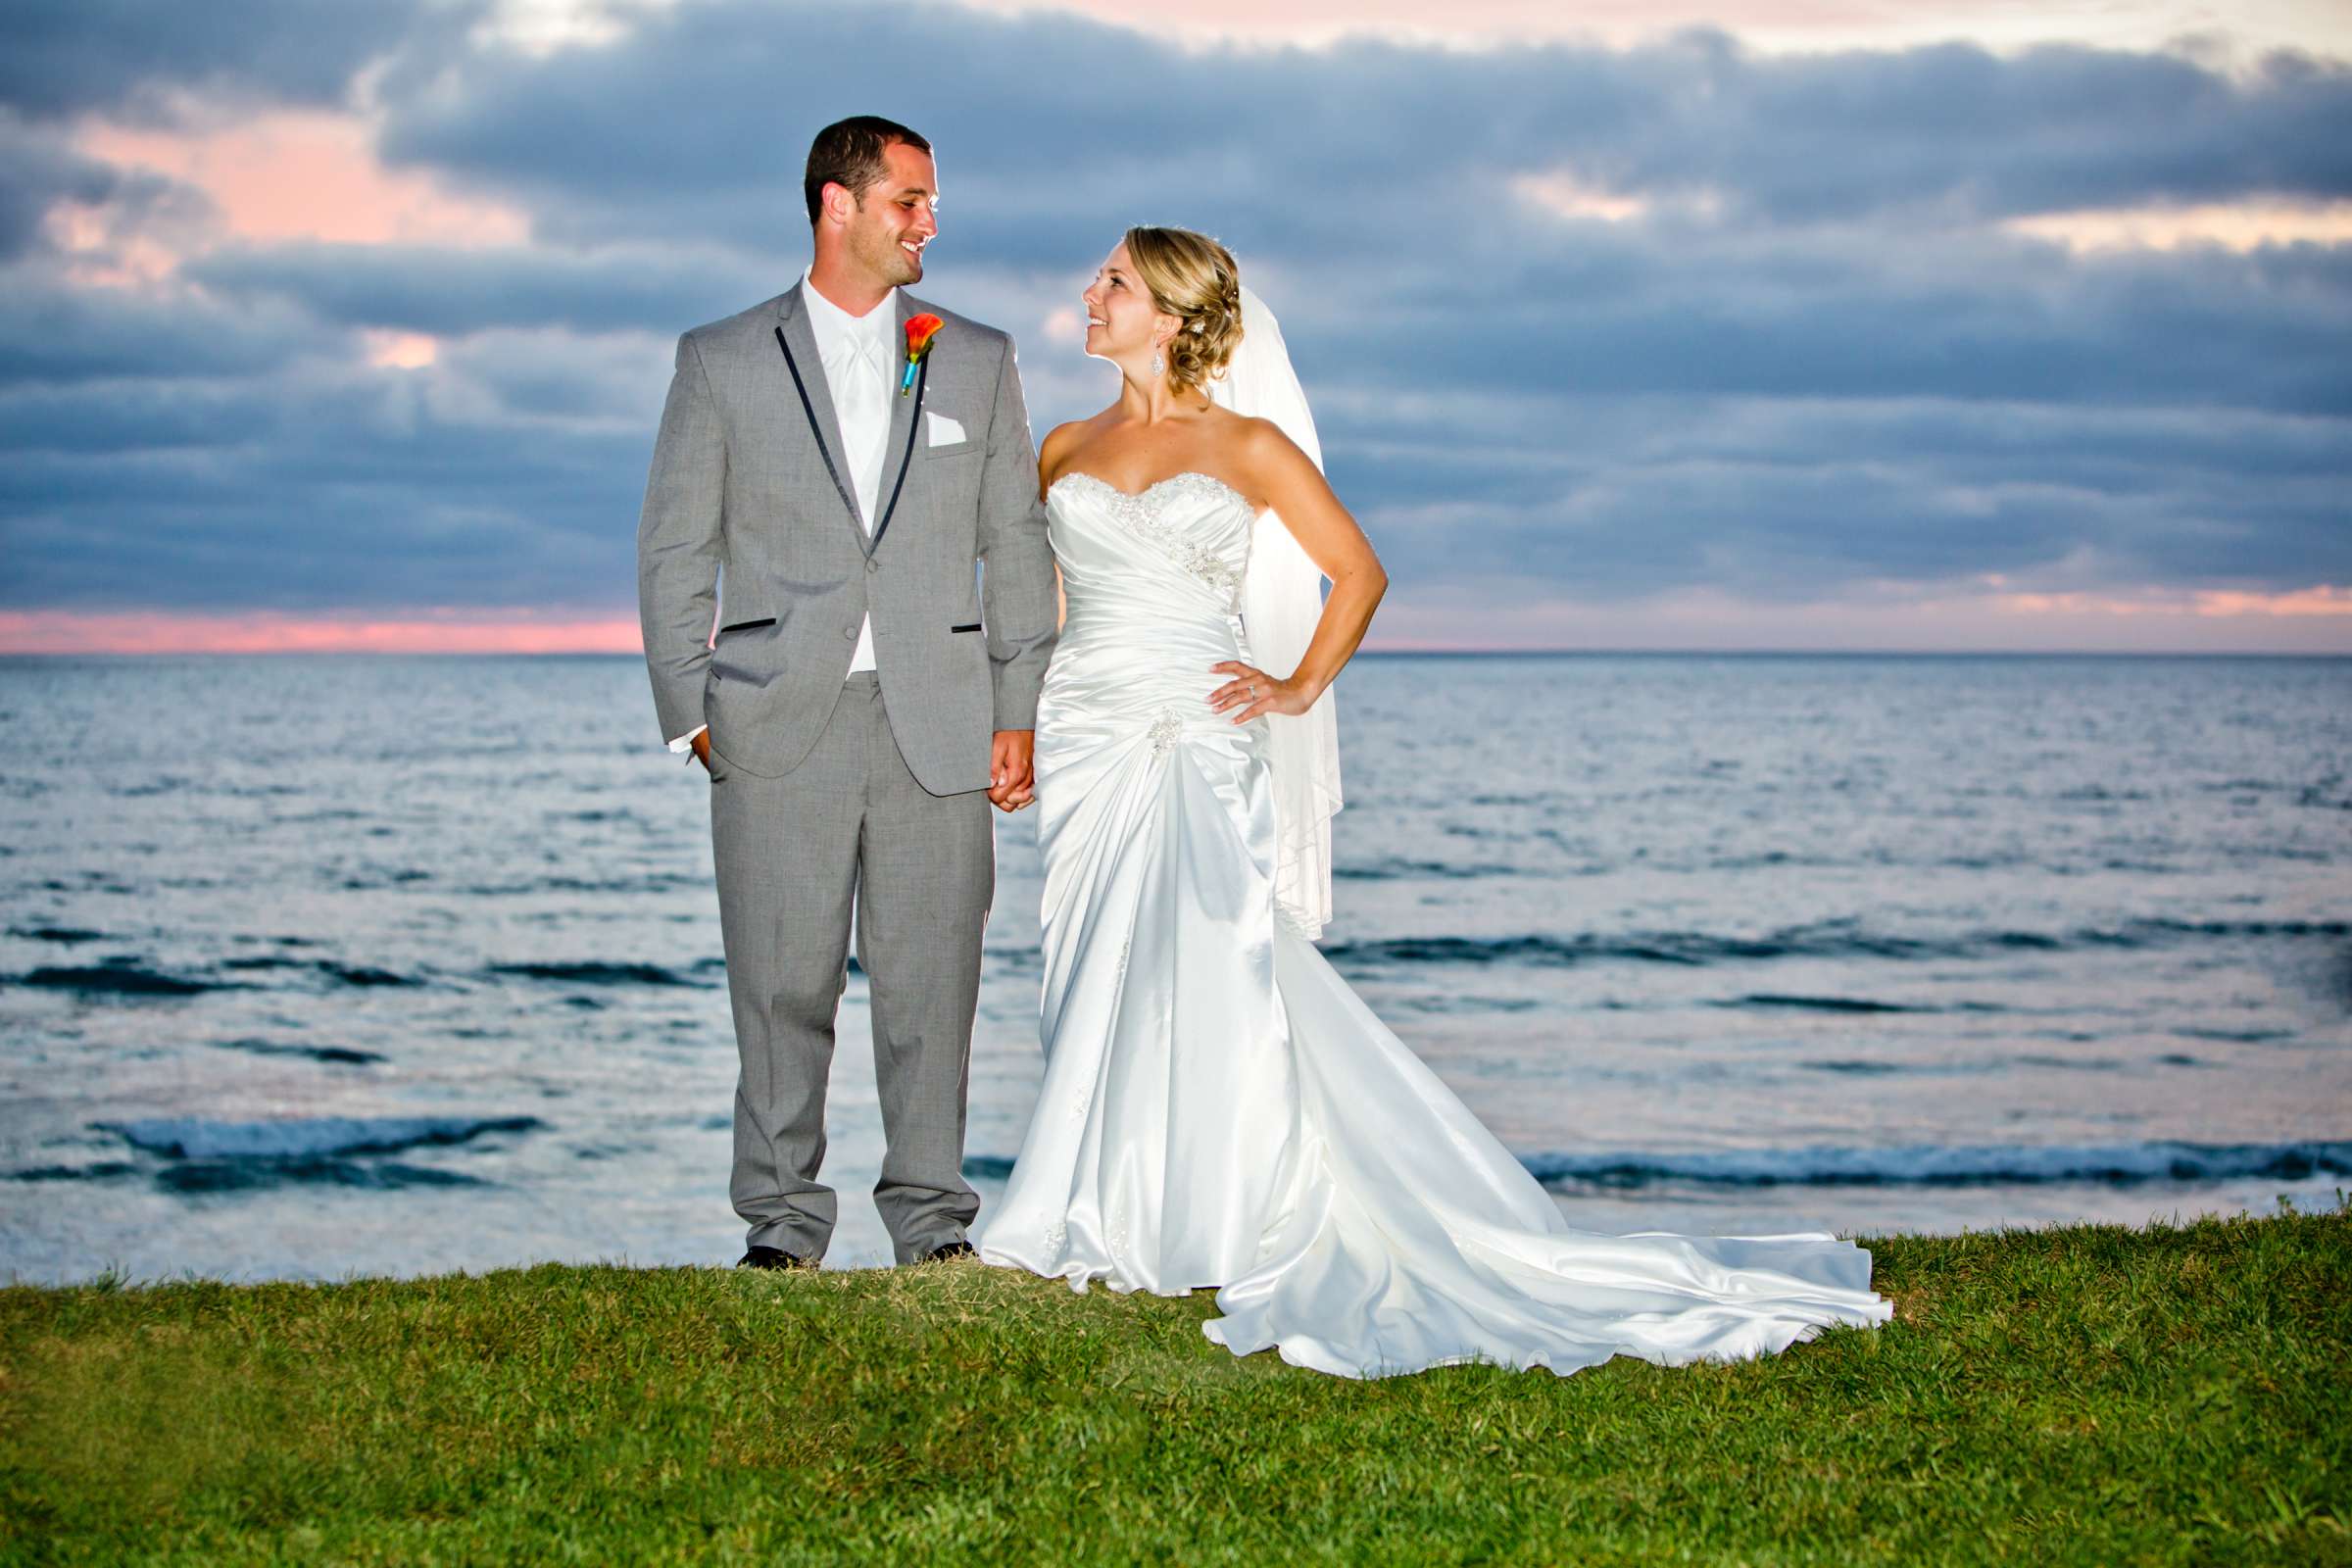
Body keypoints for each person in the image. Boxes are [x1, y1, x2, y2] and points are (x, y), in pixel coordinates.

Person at [974, 226, 1894, 1378]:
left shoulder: (1249, 444)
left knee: (1209, 957)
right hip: (1089, 723)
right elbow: (1048, 602)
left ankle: (1214, 1207)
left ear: (1168, 311)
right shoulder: (1062, 445)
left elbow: (1358, 571)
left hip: (1203, 726)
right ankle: (1092, 1201)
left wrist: (1297, 684)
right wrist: (1013, 722)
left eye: (1112, 280)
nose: (1089, 293)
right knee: (1092, 952)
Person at [635, 116, 1057, 1270]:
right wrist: (692, 710)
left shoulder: (976, 354)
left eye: (931, 203)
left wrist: (1017, 705)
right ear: (838, 204)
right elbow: (677, 548)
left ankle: (931, 1226)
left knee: (934, 990)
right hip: (775, 720)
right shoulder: (720, 358)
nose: (931, 222)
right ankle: (781, 1228)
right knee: (780, 991)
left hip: (940, 718)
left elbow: (1014, 537)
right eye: (909, 201)